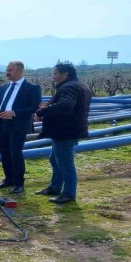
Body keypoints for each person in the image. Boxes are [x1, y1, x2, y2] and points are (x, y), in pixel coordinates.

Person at [34, 62, 92, 204]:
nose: (53, 77)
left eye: (55, 74)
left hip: (65, 131)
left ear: (65, 74)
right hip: (69, 130)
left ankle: (68, 194)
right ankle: (55, 187)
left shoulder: (69, 87)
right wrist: (50, 105)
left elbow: (65, 105)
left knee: (65, 163)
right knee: (55, 160)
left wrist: (42, 112)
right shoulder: (81, 86)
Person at [0, 61, 42, 194]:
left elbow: (34, 107)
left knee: (15, 154)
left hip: (18, 125)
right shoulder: (3, 87)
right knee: (4, 153)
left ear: (20, 71)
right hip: (1, 124)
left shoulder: (32, 88)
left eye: (11, 70)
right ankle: (9, 179)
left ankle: (19, 183)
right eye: (7, 70)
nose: (7, 72)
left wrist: (14, 113)